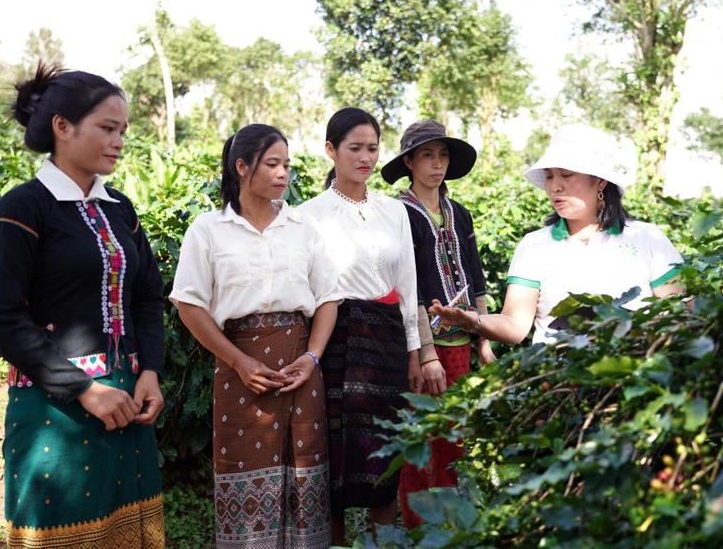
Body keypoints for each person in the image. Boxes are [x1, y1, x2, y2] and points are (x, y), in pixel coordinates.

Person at [0, 64, 165, 547]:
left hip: (127, 400)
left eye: (122, 130)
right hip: (54, 410)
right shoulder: (21, 209)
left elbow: (145, 294)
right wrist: (83, 388)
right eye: (107, 128)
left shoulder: (120, 209)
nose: (119, 140)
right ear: (62, 126)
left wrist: (150, 373)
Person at [170, 124, 340, 549]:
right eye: (272, 164)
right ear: (242, 166)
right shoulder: (208, 230)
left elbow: (328, 298)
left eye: (287, 164)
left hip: (300, 367)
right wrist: (239, 362)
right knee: (242, 468)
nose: (284, 173)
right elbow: (190, 305)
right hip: (238, 368)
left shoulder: (304, 227)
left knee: (305, 465)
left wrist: (313, 357)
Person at [429, 123, 684, 347]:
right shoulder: (535, 245)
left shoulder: (648, 239)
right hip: (558, 382)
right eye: (550, 176)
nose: (555, 186)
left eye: (567, 175)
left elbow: (679, 312)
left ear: (601, 182)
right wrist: (474, 321)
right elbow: (515, 325)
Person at [297, 107, 422, 545]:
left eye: (372, 148)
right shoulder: (307, 215)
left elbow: (408, 285)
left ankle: (384, 542)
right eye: (355, 148)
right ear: (331, 151)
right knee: (336, 461)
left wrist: (415, 353)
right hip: (337, 341)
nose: (365, 157)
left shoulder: (395, 211)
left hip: (388, 343)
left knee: (385, 454)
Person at [379, 120, 494, 529]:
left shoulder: (458, 213)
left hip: (461, 339)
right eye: (427, 155)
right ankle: (413, 523)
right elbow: (406, 285)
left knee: (451, 435)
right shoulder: (399, 214)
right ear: (409, 161)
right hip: (417, 341)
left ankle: (446, 524)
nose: (437, 164)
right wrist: (423, 349)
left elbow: (474, 275)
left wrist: (484, 335)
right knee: (417, 434)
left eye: (443, 155)